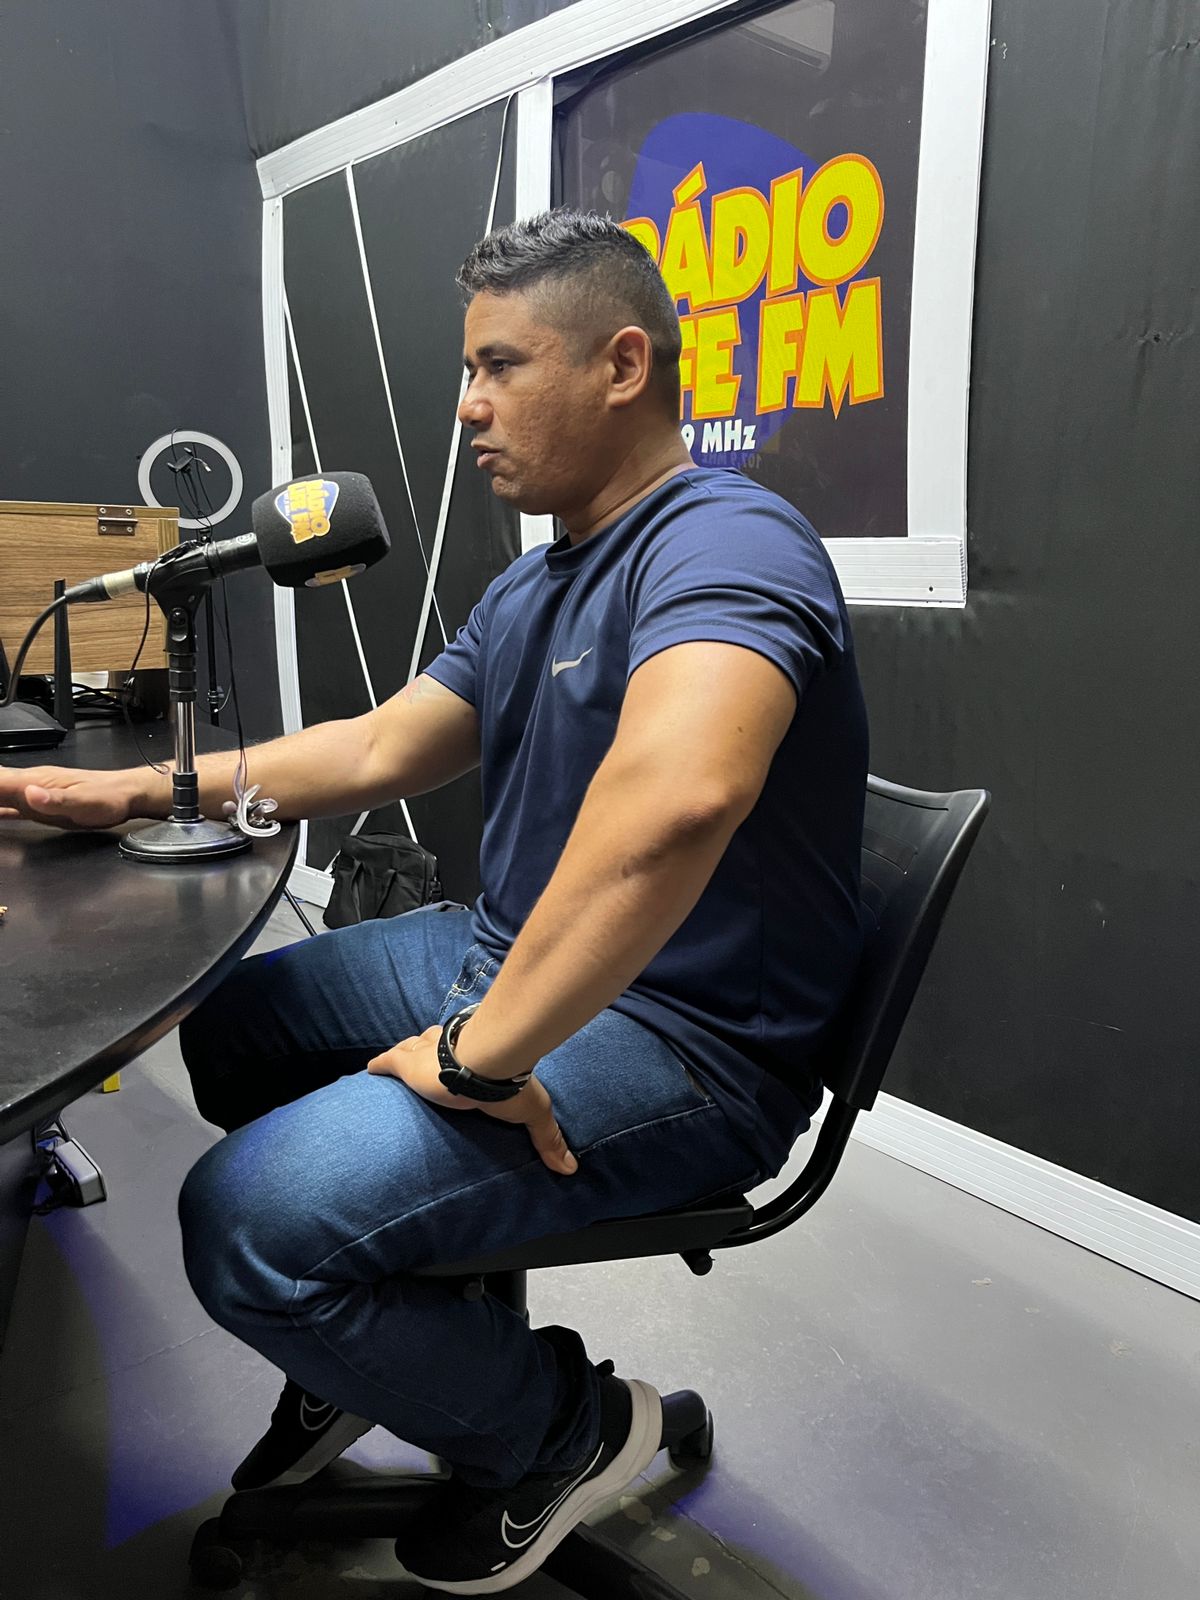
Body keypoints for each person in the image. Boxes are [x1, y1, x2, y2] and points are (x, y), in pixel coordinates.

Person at [0, 210, 868, 1593]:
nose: (466, 405)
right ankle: (395, 1332)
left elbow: (684, 794)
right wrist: (137, 791)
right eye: (467, 370)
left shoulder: (730, 539)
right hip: (498, 950)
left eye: (499, 366)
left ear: (622, 365)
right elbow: (378, 749)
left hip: (687, 1040)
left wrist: (484, 1055)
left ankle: (563, 1430)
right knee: (234, 1027)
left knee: (247, 1225)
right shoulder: (537, 580)